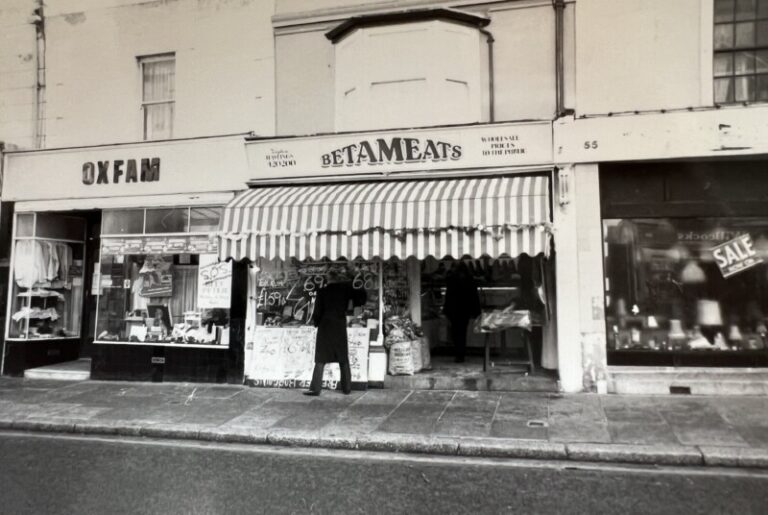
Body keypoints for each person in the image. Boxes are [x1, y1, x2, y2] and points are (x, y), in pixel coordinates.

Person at [305, 270, 366, 396]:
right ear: (338, 279)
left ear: (328, 279)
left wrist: (316, 323)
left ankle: (315, 389)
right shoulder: (345, 290)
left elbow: (317, 312)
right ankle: (347, 388)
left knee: (321, 358)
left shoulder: (322, 292)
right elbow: (360, 300)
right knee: (343, 358)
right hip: (339, 324)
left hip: (325, 326)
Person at [443, 261, 481, 363]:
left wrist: (446, 311)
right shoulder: (470, 279)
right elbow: (474, 296)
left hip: (454, 310)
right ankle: (461, 354)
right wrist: (477, 311)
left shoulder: (452, 279)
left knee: (455, 332)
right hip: (465, 310)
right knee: (462, 332)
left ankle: (458, 353)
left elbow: (448, 296)